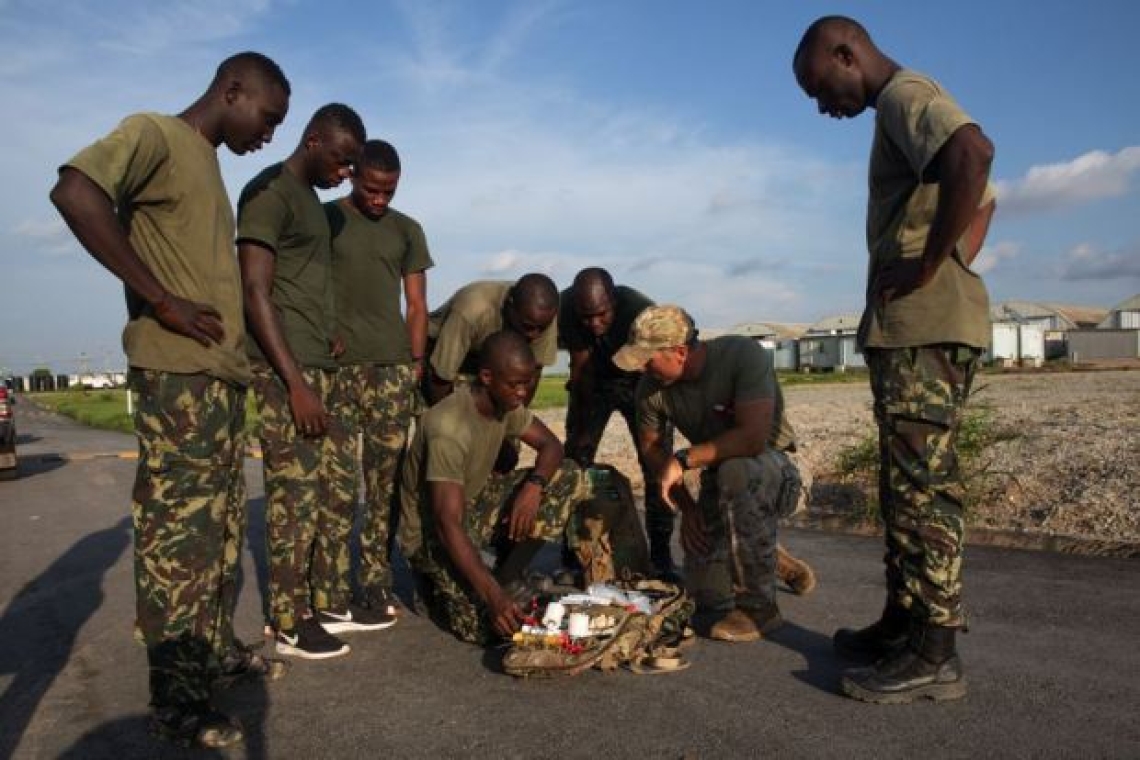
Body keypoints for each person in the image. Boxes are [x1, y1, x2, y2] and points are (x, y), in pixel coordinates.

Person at [50, 52, 290, 748]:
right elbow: (75, 191)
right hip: (177, 380)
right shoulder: (155, 133)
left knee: (214, 537)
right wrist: (160, 300)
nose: (268, 135)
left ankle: (210, 656)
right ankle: (176, 700)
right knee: (177, 544)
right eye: (267, 119)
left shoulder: (206, 164)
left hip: (214, 383)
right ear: (233, 90)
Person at [794, 16, 996, 703]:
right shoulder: (899, 112)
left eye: (824, 89)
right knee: (901, 486)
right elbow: (982, 201)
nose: (826, 108)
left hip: (924, 329)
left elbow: (975, 155)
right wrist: (950, 255)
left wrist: (929, 268)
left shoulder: (906, 95)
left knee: (924, 489)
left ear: (848, 54)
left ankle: (935, 652)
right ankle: (905, 622)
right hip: (909, 329)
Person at [238, 103, 391, 662]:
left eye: (353, 164)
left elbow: (301, 284)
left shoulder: (310, 202)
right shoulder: (270, 191)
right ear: (312, 141)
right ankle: (289, 618)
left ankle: (324, 601)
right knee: (293, 498)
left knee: (333, 489)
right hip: (285, 372)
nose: (347, 173)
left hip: (316, 365)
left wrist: (329, 334)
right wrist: (296, 382)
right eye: (344, 160)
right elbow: (255, 291)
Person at [398, 331, 646, 645]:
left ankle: (505, 578)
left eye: (527, 383)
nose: (523, 392)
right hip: (432, 532)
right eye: (515, 384)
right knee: (493, 628)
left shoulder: (506, 402)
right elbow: (447, 524)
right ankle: (436, 584)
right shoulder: (448, 428)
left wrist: (534, 487)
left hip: (470, 504)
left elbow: (551, 446)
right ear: (487, 377)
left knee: (567, 474)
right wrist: (493, 598)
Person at [615, 306, 809, 644]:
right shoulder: (651, 388)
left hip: (773, 473)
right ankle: (768, 556)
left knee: (738, 470)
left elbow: (752, 438)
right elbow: (652, 454)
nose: (642, 368)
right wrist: (688, 510)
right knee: (707, 597)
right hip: (719, 483)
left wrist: (684, 458)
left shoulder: (742, 356)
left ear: (679, 352)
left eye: (648, 359)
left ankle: (759, 610)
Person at [326, 139, 434, 616]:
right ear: (353, 176)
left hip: (391, 370)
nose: (379, 200)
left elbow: (416, 304)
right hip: (340, 370)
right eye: (371, 189)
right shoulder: (327, 219)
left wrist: (414, 362)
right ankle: (328, 584)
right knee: (338, 483)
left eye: (388, 191)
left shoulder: (407, 230)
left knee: (385, 482)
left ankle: (374, 577)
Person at [558, 268, 678, 578]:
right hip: (593, 381)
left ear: (614, 300)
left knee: (657, 466)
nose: (594, 325)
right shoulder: (566, 307)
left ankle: (661, 556)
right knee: (574, 462)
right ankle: (573, 553)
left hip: (639, 382)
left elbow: (659, 366)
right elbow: (581, 367)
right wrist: (582, 430)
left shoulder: (641, 311)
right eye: (586, 318)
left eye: (602, 315)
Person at [424, 274, 559, 406]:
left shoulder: (542, 318)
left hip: (484, 358)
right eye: (528, 326)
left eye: (542, 328)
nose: (534, 335)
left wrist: (514, 420)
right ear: (510, 305)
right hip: (438, 350)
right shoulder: (472, 310)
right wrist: (447, 422)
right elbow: (441, 375)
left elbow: (532, 374)